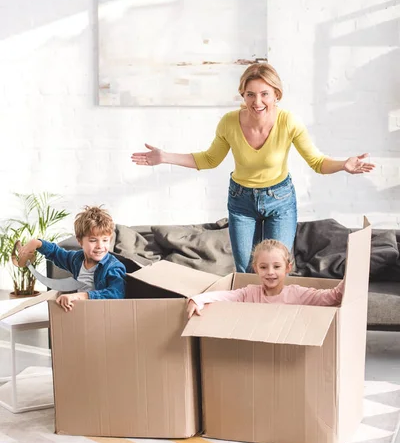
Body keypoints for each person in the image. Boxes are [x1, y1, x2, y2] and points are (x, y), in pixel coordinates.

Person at [131, 62, 374, 273]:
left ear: (276, 95)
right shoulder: (229, 123)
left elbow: (318, 163)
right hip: (242, 202)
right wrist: (164, 157)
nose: (257, 102)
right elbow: (209, 160)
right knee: (246, 269)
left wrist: (344, 165)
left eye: (264, 94)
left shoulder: (288, 122)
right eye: (250, 94)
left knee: (276, 266)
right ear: (242, 95)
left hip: (279, 200)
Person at [187, 238, 344, 318]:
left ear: (288, 268)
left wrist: (350, 276)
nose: (270, 272)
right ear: (255, 268)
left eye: (276, 267)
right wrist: (197, 300)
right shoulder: (249, 294)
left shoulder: (297, 294)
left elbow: (332, 297)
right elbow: (224, 295)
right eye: (263, 267)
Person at [15, 205, 126, 312]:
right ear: (79, 241)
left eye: (105, 240)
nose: (100, 246)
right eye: (93, 240)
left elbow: (116, 293)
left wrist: (80, 296)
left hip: (102, 314)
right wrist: (37, 243)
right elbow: (56, 253)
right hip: (82, 312)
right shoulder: (77, 260)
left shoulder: (113, 266)